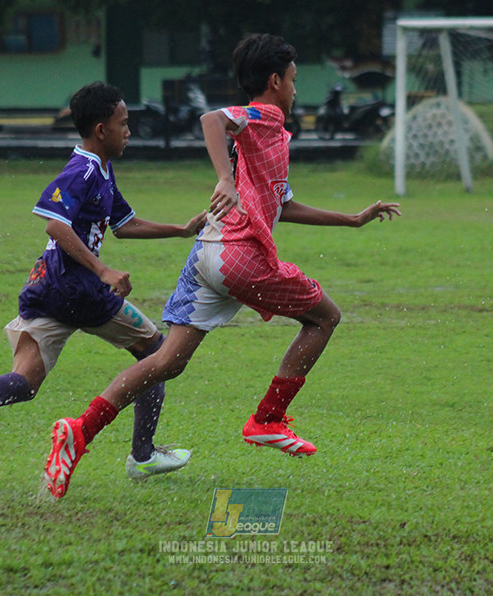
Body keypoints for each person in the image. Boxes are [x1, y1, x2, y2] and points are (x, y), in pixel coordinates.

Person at [42, 34, 401, 499]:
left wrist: (352, 220)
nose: (295, 90)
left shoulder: (269, 137)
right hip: (239, 257)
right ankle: (267, 419)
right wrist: (227, 182)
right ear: (274, 81)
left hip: (207, 253)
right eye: (292, 81)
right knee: (326, 317)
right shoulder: (263, 114)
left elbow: (282, 204)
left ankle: (79, 430)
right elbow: (211, 119)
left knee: (165, 361)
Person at [0, 82, 207, 480]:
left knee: (23, 382)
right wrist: (102, 270)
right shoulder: (81, 169)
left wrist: (181, 230)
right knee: (157, 355)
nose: (129, 131)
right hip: (78, 288)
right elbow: (55, 224)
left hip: (48, 285)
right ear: (102, 129)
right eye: (124, 123)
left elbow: (125, 224)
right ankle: (143, 455)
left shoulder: (100, 168)